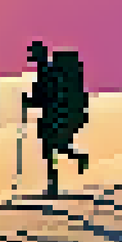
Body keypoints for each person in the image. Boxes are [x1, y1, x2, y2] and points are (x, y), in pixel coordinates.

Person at [22, 42, 89, 198]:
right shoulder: (50, 71)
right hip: (59, 115)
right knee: (55, 146)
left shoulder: (45, 72)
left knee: (50, 149)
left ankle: (53, 185)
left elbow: (43, 98)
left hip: (52, 116)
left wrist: (29, 101)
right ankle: (75, 160)